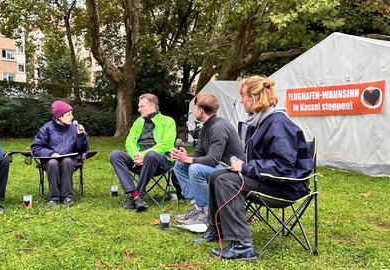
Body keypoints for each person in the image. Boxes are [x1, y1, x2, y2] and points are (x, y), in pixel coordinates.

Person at [193, 75, 313, 260]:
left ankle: (242, 245)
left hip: (285, 185)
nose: (241, 101)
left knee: (226, 181)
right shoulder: (262, 121)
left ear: (253, 98)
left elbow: (283, 166)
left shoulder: (277, 123)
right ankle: (217, 229)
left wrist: (247, 168)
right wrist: (242, 166)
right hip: (268, 178)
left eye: (243, 96)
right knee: (217, 175)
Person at [170, 92, 243, 225]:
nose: (194, 110)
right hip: (218, 165)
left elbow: (212, 160)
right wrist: (183, 157)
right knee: (179, 165)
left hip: (232, 169)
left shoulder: (219, 128)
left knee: (195, 169)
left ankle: (206, 212)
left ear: (200, 110)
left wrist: (188, 160)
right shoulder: (206, 127)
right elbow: (199, 153)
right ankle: (197, 207)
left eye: (195, 107)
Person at [110, 93, 176, 212]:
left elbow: (166, 144)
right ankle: (135, 195)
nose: (138, 109)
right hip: (138, 161)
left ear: (152, 105)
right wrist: (136, 155)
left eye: (141, 106)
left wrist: (144, 154)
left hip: (160, 161)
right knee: (115, 155)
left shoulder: (168, 121)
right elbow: (129, 142)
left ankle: (137, 195)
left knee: (151, 155)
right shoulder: (139, 122)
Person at [31, 100, 88, 206]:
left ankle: (67, 196)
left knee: (66, 161)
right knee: (53, 163)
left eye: (72, 114)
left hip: (70, 159)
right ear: (60, 116)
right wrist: (50, 154)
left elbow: (82, 149)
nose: (72, 117)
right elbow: (36, 147)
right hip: (50, 160)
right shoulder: (46, 128)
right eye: (68, 114)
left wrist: (81, 136)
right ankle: (53, 197)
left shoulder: (74, 128)